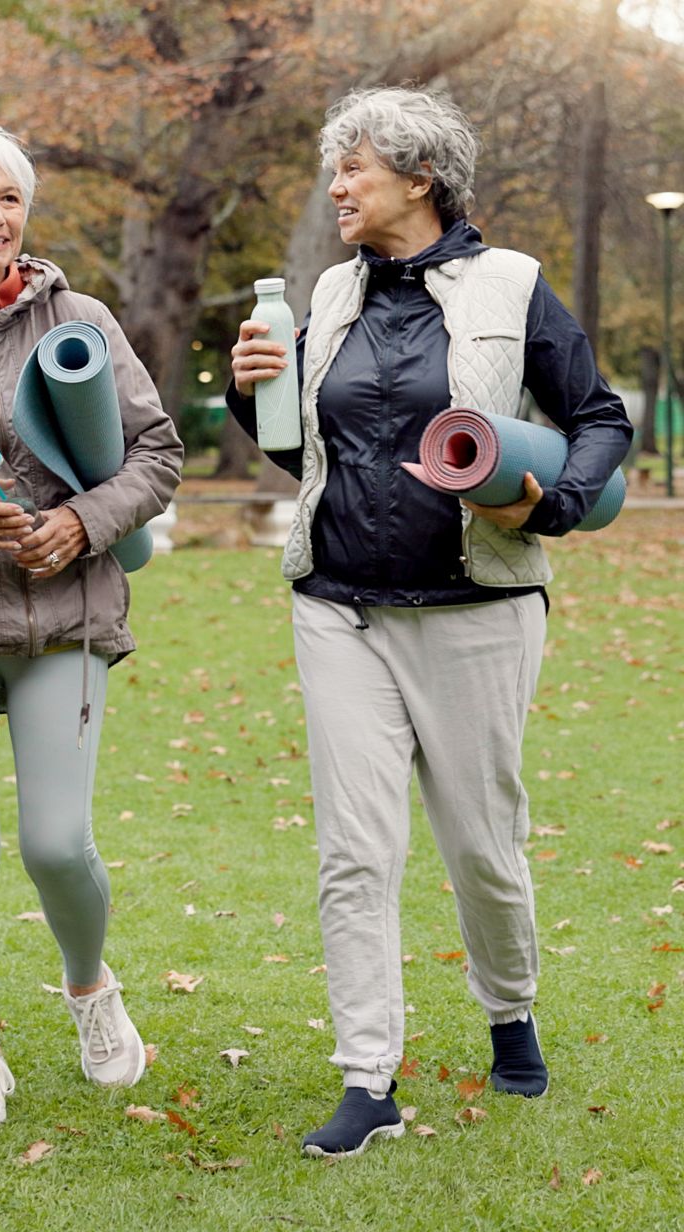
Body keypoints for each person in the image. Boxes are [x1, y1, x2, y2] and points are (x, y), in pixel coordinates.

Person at [228, 86, 631, 1158]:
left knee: (479, 843)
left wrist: (554, 500)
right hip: (337, 605)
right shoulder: (325, 290)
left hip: (475, 608)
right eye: (334, 168)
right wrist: (248, 394)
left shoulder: (511, 285)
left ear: (419, 175)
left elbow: (596, 415)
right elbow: (305, 455)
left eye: (353, 168)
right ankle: (368, 1077)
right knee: (353, 850)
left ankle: (508, 1008)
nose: (336, 186)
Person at [0, 121, 182, 1129]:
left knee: (56, 841)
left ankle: (91, 990)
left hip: (66, 615)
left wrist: (81, 521)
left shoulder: (78, 317)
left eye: (8, 197)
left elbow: (156, 452)